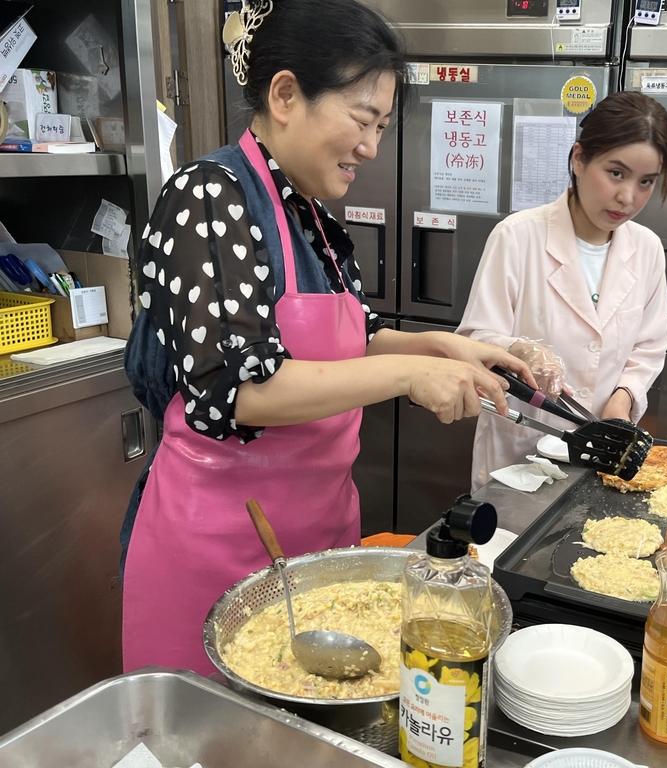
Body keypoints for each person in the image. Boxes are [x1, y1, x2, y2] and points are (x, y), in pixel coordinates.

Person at [120, 0, 535, 674]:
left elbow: (354, 340)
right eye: (363, 120)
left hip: (319, 539)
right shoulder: (209, 197)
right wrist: (408, 378)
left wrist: (445, 348)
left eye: (382, 126)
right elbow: (240, 391)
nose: (372, 147)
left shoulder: (309, 214)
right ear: (286, 95)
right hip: (218, 555)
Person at [457, 91, 667, 491]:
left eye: (646, 182)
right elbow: (473, 340)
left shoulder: (645, 249)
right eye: (616, 173)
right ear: (578, 159)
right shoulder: (518, 236)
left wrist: (621, 402)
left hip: (604, 452)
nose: (628, 197)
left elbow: (649, 347)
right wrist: (517, 349)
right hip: (519, 453)